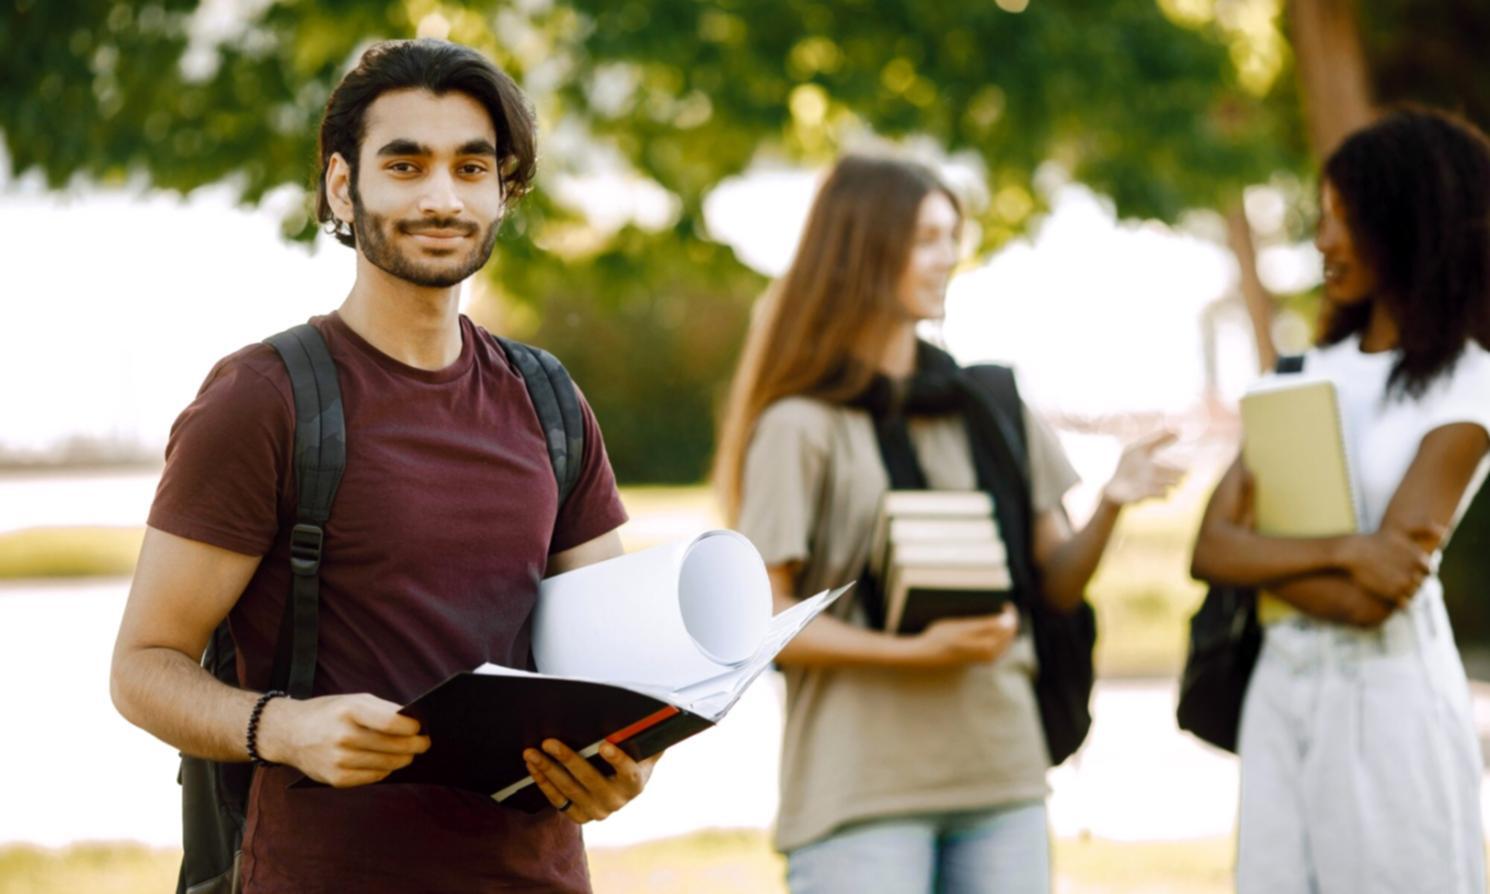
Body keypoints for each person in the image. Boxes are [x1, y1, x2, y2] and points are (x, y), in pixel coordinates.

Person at [109, 39, 656, 893]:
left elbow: (619, 670)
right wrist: (284, 729)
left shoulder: (548, 399)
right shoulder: (264, 398)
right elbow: (141, 666)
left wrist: (627, 764)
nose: (443, 197)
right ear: (342, 185)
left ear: (503, 192)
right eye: (406, 165)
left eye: (472, 168)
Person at [712, 154, 1182, 894]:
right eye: (927, 238)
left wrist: (1113, 501)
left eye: (951, 236)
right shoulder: (798, 426)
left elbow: (1056, 583)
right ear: (867, 248)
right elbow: (769, 623)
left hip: (1002, 774)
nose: (949, 258)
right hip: (862, 792)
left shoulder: (990, 404)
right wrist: (920, 652)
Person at [1191, 107, 1490, 894]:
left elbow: (1372, 606)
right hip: (1280, 692)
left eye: (1344, 218)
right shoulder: (1299, 371)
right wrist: (1350, 549)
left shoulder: (1469, 386)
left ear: (1411, 222)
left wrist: (1264, 561)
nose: (1323, 241)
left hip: (1389, 706)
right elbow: (1207, 549)